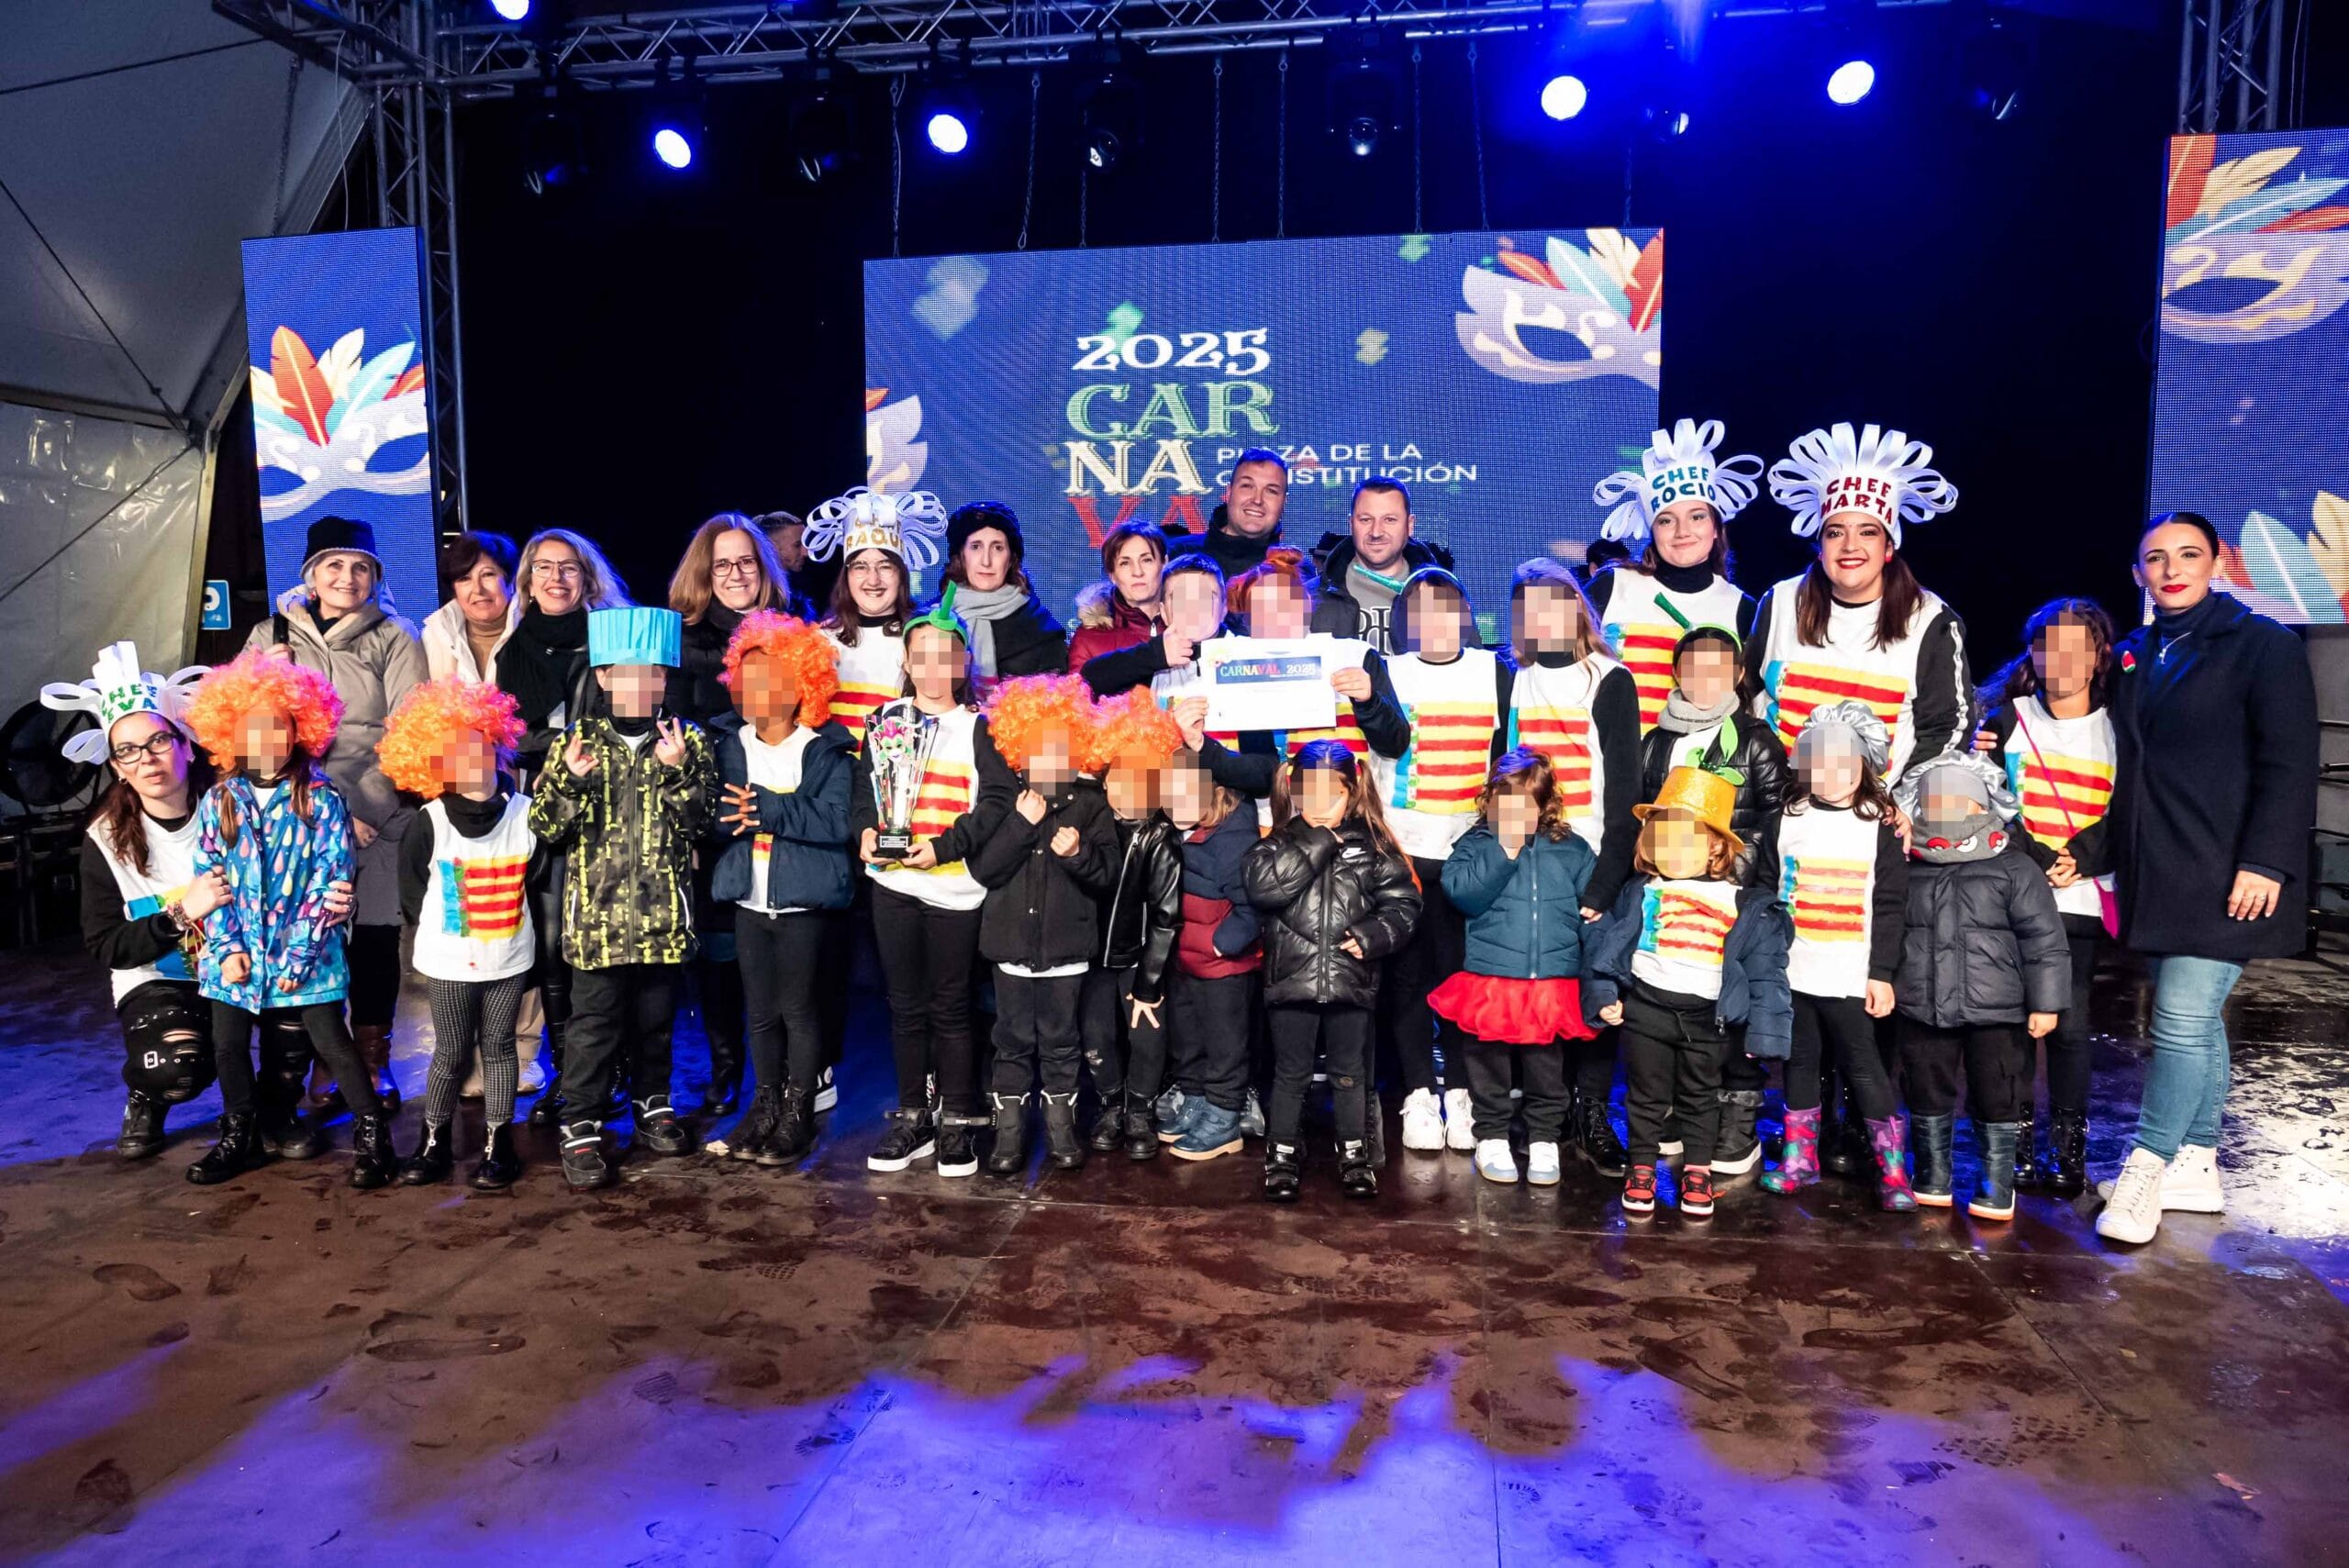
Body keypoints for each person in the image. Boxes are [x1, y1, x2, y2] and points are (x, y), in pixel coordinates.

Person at [2096, 512, 2319, 1245]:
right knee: (2196, 1021)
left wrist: (2267, 860)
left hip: (2230, 870)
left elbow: (2290, 763)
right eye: (2156, 558)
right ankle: (2195, 1163)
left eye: (2188, 554)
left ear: (2218, 562)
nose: (2172, 569)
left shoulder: (2264, 645)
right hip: (2160, 867)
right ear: (2138, 572)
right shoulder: (2135, 652)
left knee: (2181, 1019)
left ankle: (2147, 1165)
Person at [183, 651, 398, 1188]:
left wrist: (300, 956)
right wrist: (227, 948)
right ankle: (240, 1134)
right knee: (228, 1044)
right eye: (252, 728)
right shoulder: (218, 801)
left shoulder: (321, 798)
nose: (266, 739)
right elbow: (210, 881)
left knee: (333, 1042)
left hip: (310, 954)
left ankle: (374, 1135)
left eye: (278, 726)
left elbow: (333, 881)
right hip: (234, 958)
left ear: (301, 729)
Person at [529, 606, 718, 1192]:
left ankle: (653, 1102)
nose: (640, 684)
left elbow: (702, 824)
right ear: (605, 677)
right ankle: (581, 1121)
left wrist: (677, 772)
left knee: (656, 1022)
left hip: (663, 918)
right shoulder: (576, 743)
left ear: (664, 679)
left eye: (652, 673)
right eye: (626, 673)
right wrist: (569, 780)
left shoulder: (687, 741)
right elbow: (546, 827)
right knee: (593, 1026)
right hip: (596, 924)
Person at [248, 516, 428, 1116]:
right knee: (311, 939)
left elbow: (408, 731)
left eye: (360, 567)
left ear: (375, 575)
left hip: (378, 814)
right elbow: (245, 731)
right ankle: (326, 1055)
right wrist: (320, 809)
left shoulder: (395, 636)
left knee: (374, 938)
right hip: (294, 812)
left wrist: (359, 810)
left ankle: (372, 1057)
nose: (347, 577)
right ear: (310, 575)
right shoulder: (270, 635)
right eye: (333, 565)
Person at [853, 594, 1018, 1177]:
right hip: (893, 885)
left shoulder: (978, 727)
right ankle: (913, 1116)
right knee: (905, 1006)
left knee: (951, 1006)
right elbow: (864, 791)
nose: (932, 667)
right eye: (921, 656)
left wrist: (945, 848)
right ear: (905, 661)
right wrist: (865, 832)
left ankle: (958, 1119)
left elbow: (997, 801)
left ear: (963, 663)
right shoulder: (884, 722)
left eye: (945, 656)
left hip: (953, 892)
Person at [1582, 765, 1793, 1218]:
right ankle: (1641, 1169)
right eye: (1661, 841)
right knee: (1645, 1096)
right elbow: (1605, 948)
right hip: (1646, 1010)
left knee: (1701, 1096)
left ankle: (1698, 1171)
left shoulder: (1740, 902)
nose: (1672, 853)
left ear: (1715, 846)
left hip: (1707, 1019)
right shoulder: (1640, 892)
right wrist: (1603, 995)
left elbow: (1765, 973)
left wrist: (1766, 1034)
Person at [52, 646, 226, 1159]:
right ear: (116, 767)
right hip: (159, 978)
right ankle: (147, 1096)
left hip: (241, 970)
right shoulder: (105, 838)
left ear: (186, 746)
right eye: (128, 751)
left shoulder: (229, 808)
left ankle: (274, 1107)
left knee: (301, 1024)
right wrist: (181, 913)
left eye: (158, 741)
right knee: (178, 1069)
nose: (146, 758)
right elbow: (107, 945)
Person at [1503, 558, 1642, 1175]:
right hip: (1527, 865)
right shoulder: (1514, 678)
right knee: (1540, 989)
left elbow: (1626, 790)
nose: (1543, 617)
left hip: (1589, 863)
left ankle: (1590, 1112)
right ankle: (1547, 1111)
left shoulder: (1611, 680)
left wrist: (1606, 882)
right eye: (1530, 608)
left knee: (1595, 993)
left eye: (1554, 604)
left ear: (1578, 610)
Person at [1887, 750, 2069, 1219]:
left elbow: (2044, 940)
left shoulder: (2015, 867)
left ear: (1981, 803)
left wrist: (2046, 1003)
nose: (1943, 808)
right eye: (1932, 800)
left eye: (1956, 798)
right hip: (1922, 1004)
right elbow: (1888, 931)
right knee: (1925, 1085)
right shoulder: (1907, 865)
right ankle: (1933, 1173)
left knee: (1999, 1090)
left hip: (1999, 1010)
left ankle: (1996, 1181)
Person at [1977, 598, 2120, 1196]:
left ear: (2098, 656)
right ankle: (2014, 1145)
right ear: (2032, 655)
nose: (2060, 659)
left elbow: (2130, 809)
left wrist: (2082, 856)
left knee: (2069, 1026)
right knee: (2012, 1024)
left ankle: (2067, 1152)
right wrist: (2035, 857)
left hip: (2083, 899)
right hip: (2013, 893)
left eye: (2075, 647)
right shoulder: (2005, 721)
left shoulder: (2120, 726)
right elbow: (1984, 798)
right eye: (2047, 646)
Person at [1636, 624, 1788, 1170]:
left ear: (1739, 675)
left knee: (1735, 1007)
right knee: (1681, 1007)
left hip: (1734, 894)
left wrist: (1736, 881)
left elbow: (1777, 819)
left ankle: (1739, 1127)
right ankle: (1685, 1114)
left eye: (1718, 668)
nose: (1704, 678)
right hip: (1674, 894)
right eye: (1692, 667)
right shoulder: (1656, 741)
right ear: (1676, 673)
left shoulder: (1755, 739)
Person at [1243, 740, 1422, 1201]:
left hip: (1351, 979)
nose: (1320, 802)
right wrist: (1319, 841)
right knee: (1291, 1073)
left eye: (1332, 792)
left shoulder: (1374, 846)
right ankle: (1282, 1155)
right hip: (1291, 981)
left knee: (1349, 1074)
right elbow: (1264, 889)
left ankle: (1354, 1154)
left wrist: (1374, 935)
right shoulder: (1277, 842)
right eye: (1309, 790)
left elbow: (1403, 905)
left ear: (1352, 791)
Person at [1374, 568, 1512, 1154]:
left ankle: (1459, 1090)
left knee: (1459, 977)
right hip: (1402, 850)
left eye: (1446, 608)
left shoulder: (1494, 672)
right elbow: (1380, 745)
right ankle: (1418, 1093)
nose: (1435, 621)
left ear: (1465, 616)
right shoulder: (1387, 671)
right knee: (1407, 980)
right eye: (1421, 609)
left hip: (1466, 854)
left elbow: (1507, 759)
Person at [707, 612, 854, 1166]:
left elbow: (837, 821)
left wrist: (768, 809)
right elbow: (713, 817)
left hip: (802, 905)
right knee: (761, 1012)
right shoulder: (726, 744)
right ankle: (764, 1106)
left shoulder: (825, 750)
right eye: (747, 680)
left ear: (802, 687)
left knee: (799, 1010)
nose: (756, 691)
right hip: (749, 901)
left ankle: (799, 1110)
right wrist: (725, 819)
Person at [1751, 422, 1971, 785]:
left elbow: (1946, 728)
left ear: (1889, 547)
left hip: (1877, 811)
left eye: (1867, 532)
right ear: (1820, 547)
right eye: (1835, 532)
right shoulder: (1780, 602)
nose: (1850, 545)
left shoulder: (1931, 620)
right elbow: (1747, 695)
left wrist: (1902, 805)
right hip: (1779, 805)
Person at [382, 677, 538, 1191]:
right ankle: (433, 1142)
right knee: (449, 1053)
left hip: (509, 958)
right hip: (449, 963)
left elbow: (537, 882)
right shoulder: (427, 822)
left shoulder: (525, 814)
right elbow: (412, 894)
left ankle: (499, 1142)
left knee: (499, 1048)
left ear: (498, 745)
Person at [1752, 704, 1910, 1204]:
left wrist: (1881, 973)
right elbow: (1764, 891)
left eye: (1844, 762)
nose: (1831, 773)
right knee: (1800, 1062)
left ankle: (1893, 1172)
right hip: (1794, 969)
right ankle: (1800, 1162)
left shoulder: (1879, 825)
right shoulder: (1786, 819)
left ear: (1865, 763)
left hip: (1849, 973)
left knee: (1864, 1065)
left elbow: (1890, 904)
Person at [499, 527, 629, 1128]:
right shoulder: (513, 650)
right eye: (544, 567)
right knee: (551, 953)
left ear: (587, 577)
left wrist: (549, 742)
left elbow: (624, 724)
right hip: (543, 813)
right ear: (528, 580)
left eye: (569, 567)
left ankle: (612, 1071)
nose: (556, 577)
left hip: (608, 814)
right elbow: (507, 737)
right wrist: (559, 743)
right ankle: (568, 1075)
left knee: (601, 950)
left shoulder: (611, 639)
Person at [667, 513, 796, 1118]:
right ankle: (726, 1068)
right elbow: (674, 738)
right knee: (718, 950)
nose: (737, 573)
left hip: (784, 809)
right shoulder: (680, 640)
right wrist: (697, 824)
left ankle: (790, 1073)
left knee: (786, 951)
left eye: (747, 560)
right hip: (714, 819)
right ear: (704, 572)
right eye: (722, 564)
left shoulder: (796, 631)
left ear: (764, 567)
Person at [971, 674, 1120, 1174]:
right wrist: (1020, 824)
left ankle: (1061, 1128)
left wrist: (1078, 854)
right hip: (1011, 950)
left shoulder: (1091, 805)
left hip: (1066, 951)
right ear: (1019, 750)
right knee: (1011, 1041)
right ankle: (1009, 1133)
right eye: (1038, 747)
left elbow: (1108, 874)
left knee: (1061, 1041)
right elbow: (985, 870)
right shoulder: (1004, 803)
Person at [1434, 748, 1601, 1186]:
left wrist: (1597, 911)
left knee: (1546, 1066)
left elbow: (1594, 906)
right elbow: (1462, 893)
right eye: (1503, 800)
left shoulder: (1571, 849)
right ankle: (1491, 1135)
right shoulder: (1476, 844)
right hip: (1492, 977)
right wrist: (1504, 851)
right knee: (1487, 1061)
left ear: (1544, 806)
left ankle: (1544, 1137)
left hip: (1550, 981)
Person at [1174, 550, 1409, 798]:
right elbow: (1255, 770)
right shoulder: (1234, 666)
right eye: (1262, 610)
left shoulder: (1355, 656)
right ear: (1248, 621)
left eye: (1286, 604)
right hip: (1271, 813)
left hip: (1347, 808)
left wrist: (1369, 702)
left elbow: (1395, 744)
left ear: (1306, 602)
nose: (1276, 618)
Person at [1587, 420, 1765, 729]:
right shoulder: (1612, 586)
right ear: (1652, 530)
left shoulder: (1742, 609)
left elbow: (1749, 707)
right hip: (1610, 758)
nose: (1683, 531)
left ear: (1716, 528)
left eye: (1697, 517)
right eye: (1667, 520)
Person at [1083, 690, 1186, 1160]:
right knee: (1096, 1035)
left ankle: (1140, 1108)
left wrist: (1148, 983)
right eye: (1123, 777)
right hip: (1089, 959)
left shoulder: (1160, 837)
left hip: (1138, 959)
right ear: (1106, 780)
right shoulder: (1091, 824)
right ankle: (1110, 1104)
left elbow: (1166, 916)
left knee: (1146, 1032)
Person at [1157, 753, 1263, 1160]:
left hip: (1223, 968)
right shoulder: (1181, 831)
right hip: (1187, 962)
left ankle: (1224, 1119)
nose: (1176, 804)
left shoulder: (1233, 838)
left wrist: (1219, 945)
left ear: (1215, 791)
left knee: (1225, 1046)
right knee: (1189, 1039)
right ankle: (1196, 1101)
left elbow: (1252, 908)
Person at [807, 486, 948, 751]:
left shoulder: (922, 640)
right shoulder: (818, 640)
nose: (873, 580)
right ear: (847, 576)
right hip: (832, 772)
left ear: (901, 575)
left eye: (885, 566)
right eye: (861, 566)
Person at [1310, 476, 1450, 651]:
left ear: (1410, 525)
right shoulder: (1309, 597)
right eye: (1366, 520)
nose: (1376, 532)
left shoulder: (1444, 596)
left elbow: (1469, 664)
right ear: (1351, 524)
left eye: (1389, 520)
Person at [941, 502, 1068, 691]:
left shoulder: (1042, 630)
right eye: (976, 547)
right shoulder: (934, 619)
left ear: (1011, 559)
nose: (986, 561)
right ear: (960, 555)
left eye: (998, 548)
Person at [1087, 552, 1227, 700]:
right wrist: (1155, 655)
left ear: (1224, 609)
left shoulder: (1244, 652)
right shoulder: (1152, 666)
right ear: (1164, 613)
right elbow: (1087, 682)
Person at [1167, 449, 1291, 582]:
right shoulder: (1177, 555)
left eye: (1271, 491)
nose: (1257, 500)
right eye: (1247, 486)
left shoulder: (1297, 572)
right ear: (1228, 492)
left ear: (1284, 503)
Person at [1069, 521, 1168, 674]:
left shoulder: (1193, 625)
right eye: (1125, 563)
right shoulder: (1088, 639)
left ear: (1164, 563)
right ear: (1112, 575)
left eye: (1146, 560)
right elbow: (1076, 688)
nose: (1137, 572)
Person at [422, 531, 521, 684]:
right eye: (465, 579)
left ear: (511, 581)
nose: (478, 589)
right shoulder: (435, 635)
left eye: (487, 575)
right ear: (454, 591)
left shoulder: (534, 631)